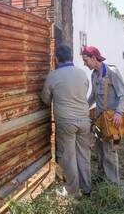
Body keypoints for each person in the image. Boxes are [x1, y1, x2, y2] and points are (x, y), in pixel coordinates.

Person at [41, 44, 91, 197]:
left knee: (68, 157)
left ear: (56, 59)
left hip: (66, 123)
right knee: (83, 154)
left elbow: (45, 99)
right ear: (71, 57)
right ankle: (86, 188)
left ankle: (72, 191)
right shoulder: (82, 74)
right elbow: (84, 92)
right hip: (84, 120)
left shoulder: (53, 76)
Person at [81, 46, 124, 184]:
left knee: (110, 152)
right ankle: (102, 178)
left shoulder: (112, 72)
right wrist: (83, 107)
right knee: (100, 149)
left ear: (94, 58)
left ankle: (113, 185)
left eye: (86, 60)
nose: (84, 64)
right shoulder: (93, 75)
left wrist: (119, 113)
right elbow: (94, 96)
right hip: (99, 120)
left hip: (112, 120)